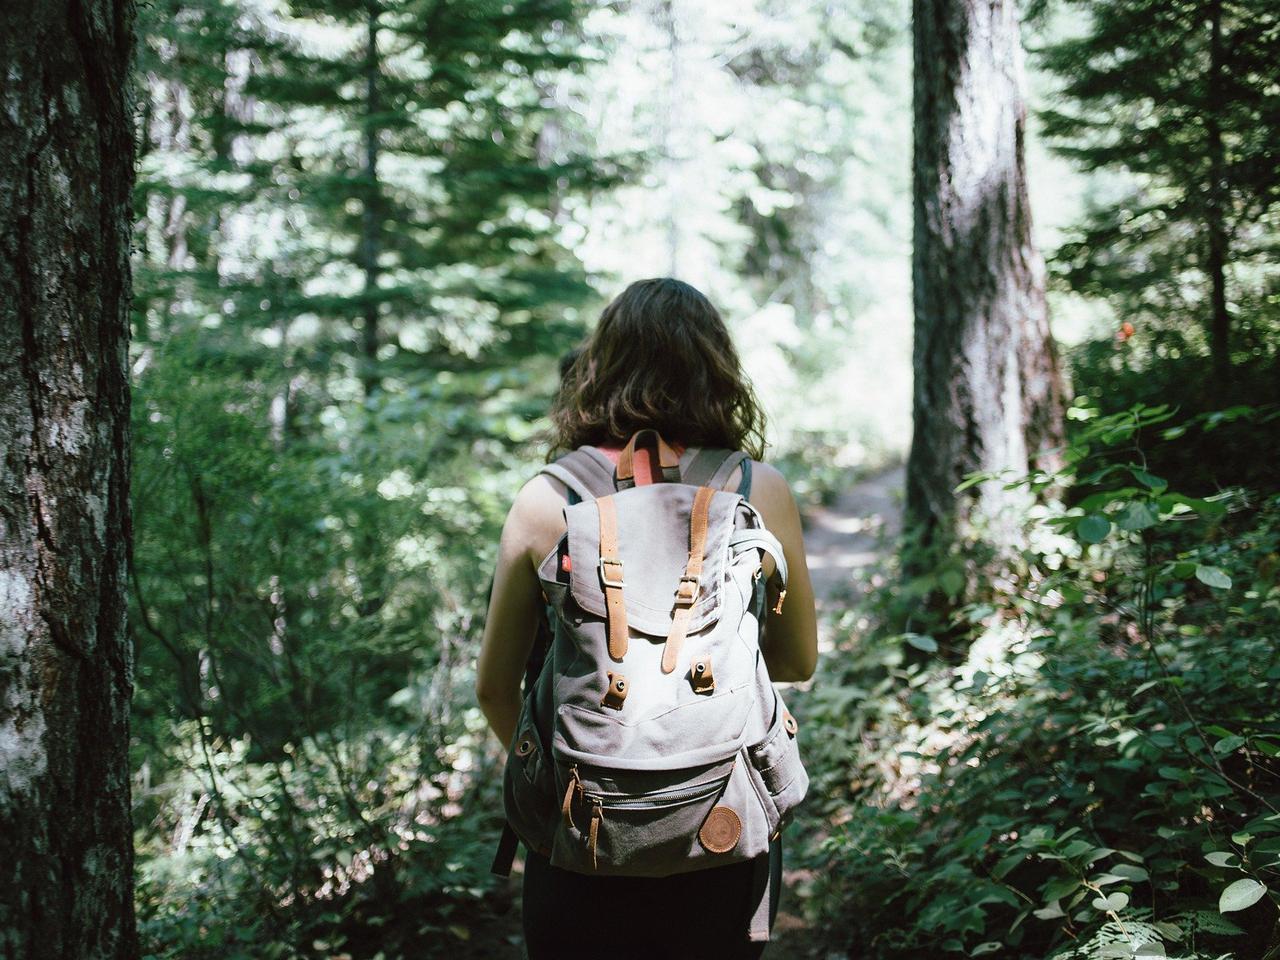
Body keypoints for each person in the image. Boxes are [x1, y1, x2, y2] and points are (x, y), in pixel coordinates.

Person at [476, 277, 818, 958]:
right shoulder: (758, 489)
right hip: (722, 826)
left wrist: (566, 771)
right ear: (716, 370)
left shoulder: (548, 500)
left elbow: (495, 687)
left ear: (600, 368)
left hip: (580, 835)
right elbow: (796, 662)